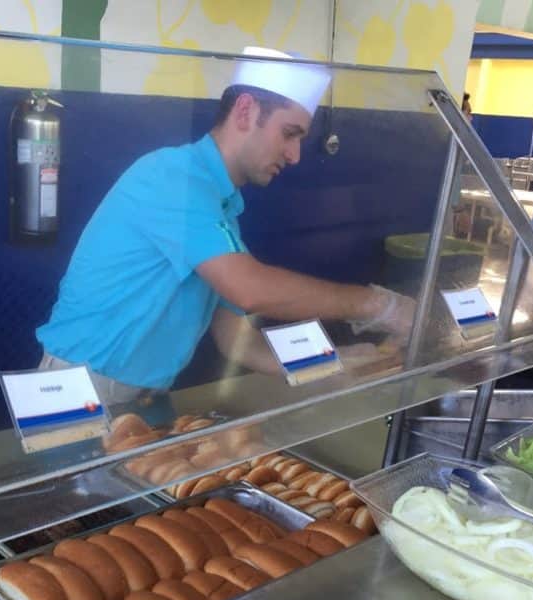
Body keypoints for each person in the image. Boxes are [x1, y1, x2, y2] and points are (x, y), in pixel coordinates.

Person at [36, 47, 415, 405]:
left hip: (143, 397)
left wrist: (332, 363)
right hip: (79, 386)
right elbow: (249, 289)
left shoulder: (221, 208)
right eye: (289, 133)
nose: (295, 155)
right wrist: (378, 305)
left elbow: (238, 341)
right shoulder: (174, 178)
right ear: (246, 111)